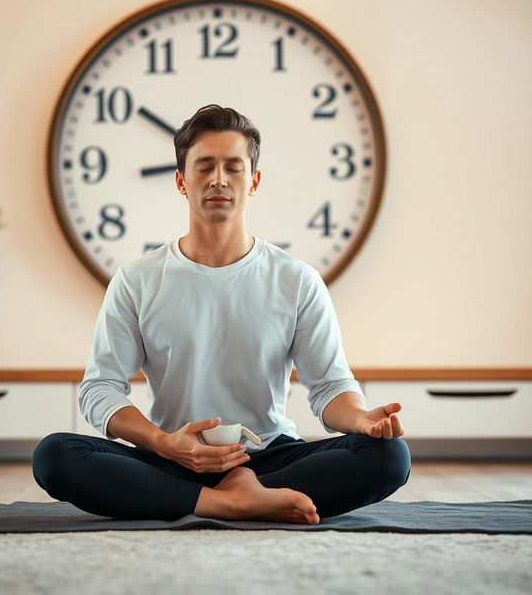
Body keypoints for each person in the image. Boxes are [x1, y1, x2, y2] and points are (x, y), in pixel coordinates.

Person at [32, 104, 411, 524]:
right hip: (173, 455)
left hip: (271, 455)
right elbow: (100, 389)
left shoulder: (298, 280)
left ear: (254, 182)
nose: (218, 179)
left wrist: (362, 419)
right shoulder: (136, 280)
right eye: (204, 166)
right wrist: (164, 443)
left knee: (390, 455)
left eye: (234, 167)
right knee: (55, 454)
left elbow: (329, 387)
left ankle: (223, 494)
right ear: (181, 181)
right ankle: (233, 502)